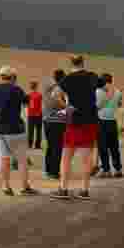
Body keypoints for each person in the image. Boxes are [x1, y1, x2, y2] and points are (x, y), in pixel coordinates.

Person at [0, 66, 38, 196]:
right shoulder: (17, 90)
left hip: (0, 129)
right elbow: (28, 103)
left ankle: (6, 187)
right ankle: (24, 187)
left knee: (4, 159)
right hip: (16, 129)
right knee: (22, 160)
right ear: (13, 77)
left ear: (1, 76)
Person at [53, 56, 99, 200]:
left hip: (74, 121)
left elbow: (55, 94)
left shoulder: (68, 78)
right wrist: (99, 106)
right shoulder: (92, 76)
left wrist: (66, 107)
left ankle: (63, 188)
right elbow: (107, 89)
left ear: (71, 64)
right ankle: (84, 190)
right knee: (86, 158)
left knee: (66, 157)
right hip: (90, 120)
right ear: (83, 63)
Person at [96, 73, 123, 177]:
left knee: (102, 147)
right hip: (112, 121)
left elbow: (96, 107)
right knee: (114, 147)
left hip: (101, 121)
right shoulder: (117, 92)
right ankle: (118, 169)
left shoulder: (98, 92)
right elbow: (119, 104)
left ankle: (106, 169)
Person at [42, 69, 67, 180]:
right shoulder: (59, 89)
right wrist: (66, 106)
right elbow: (58, 102)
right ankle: (55, 172)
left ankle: (48, 170)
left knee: (50, 146)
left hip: (47, 120)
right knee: (57, 147)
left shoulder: (47, 87)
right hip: (58, 121)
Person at [26, 81, 44, 150]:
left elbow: (28, 105)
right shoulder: (39, 95)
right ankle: (37, 145)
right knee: (38, 131)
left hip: (31, 115)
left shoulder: (28, 95)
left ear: (30, 87)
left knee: (30, 130)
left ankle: (30, 145)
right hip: (38, 114)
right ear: (36, 87)